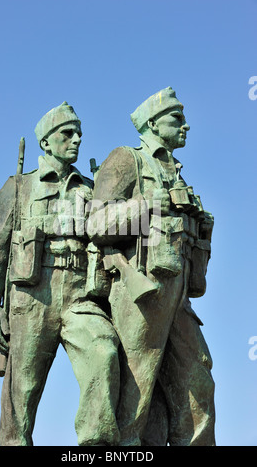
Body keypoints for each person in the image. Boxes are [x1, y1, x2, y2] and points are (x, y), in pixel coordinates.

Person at [0, 102, 121, 446]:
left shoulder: (91, 189)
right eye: (67, 134)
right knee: (21, 394)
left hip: (81, 295)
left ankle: (96, 445)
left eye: (79, 134)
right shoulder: (17, 188)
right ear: (45, 142)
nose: (76, 140)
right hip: (32, 294)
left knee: (104, 352)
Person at [87, 87, 216, 446]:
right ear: (153, 123)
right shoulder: (127, 159)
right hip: (142, 293)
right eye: (177, 118)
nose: (186, 125)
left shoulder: (176, 172)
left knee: (198, 384)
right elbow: (95, 225)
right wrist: (145, 205)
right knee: (136, 393)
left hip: (179, 297)